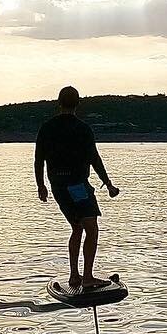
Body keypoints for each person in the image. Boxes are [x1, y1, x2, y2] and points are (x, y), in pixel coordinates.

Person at [34, 86, 119, 288]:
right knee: (91, 229)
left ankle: (74, 275)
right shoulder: (82, 128)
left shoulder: (46, 127)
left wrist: (41, 186)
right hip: (77, 186)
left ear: (59, 102)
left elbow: (38, 160)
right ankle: (87, 278)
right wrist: (108, 184)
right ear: (78, 103)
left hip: (58, 187)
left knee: (77, 228)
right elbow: (94, 159)